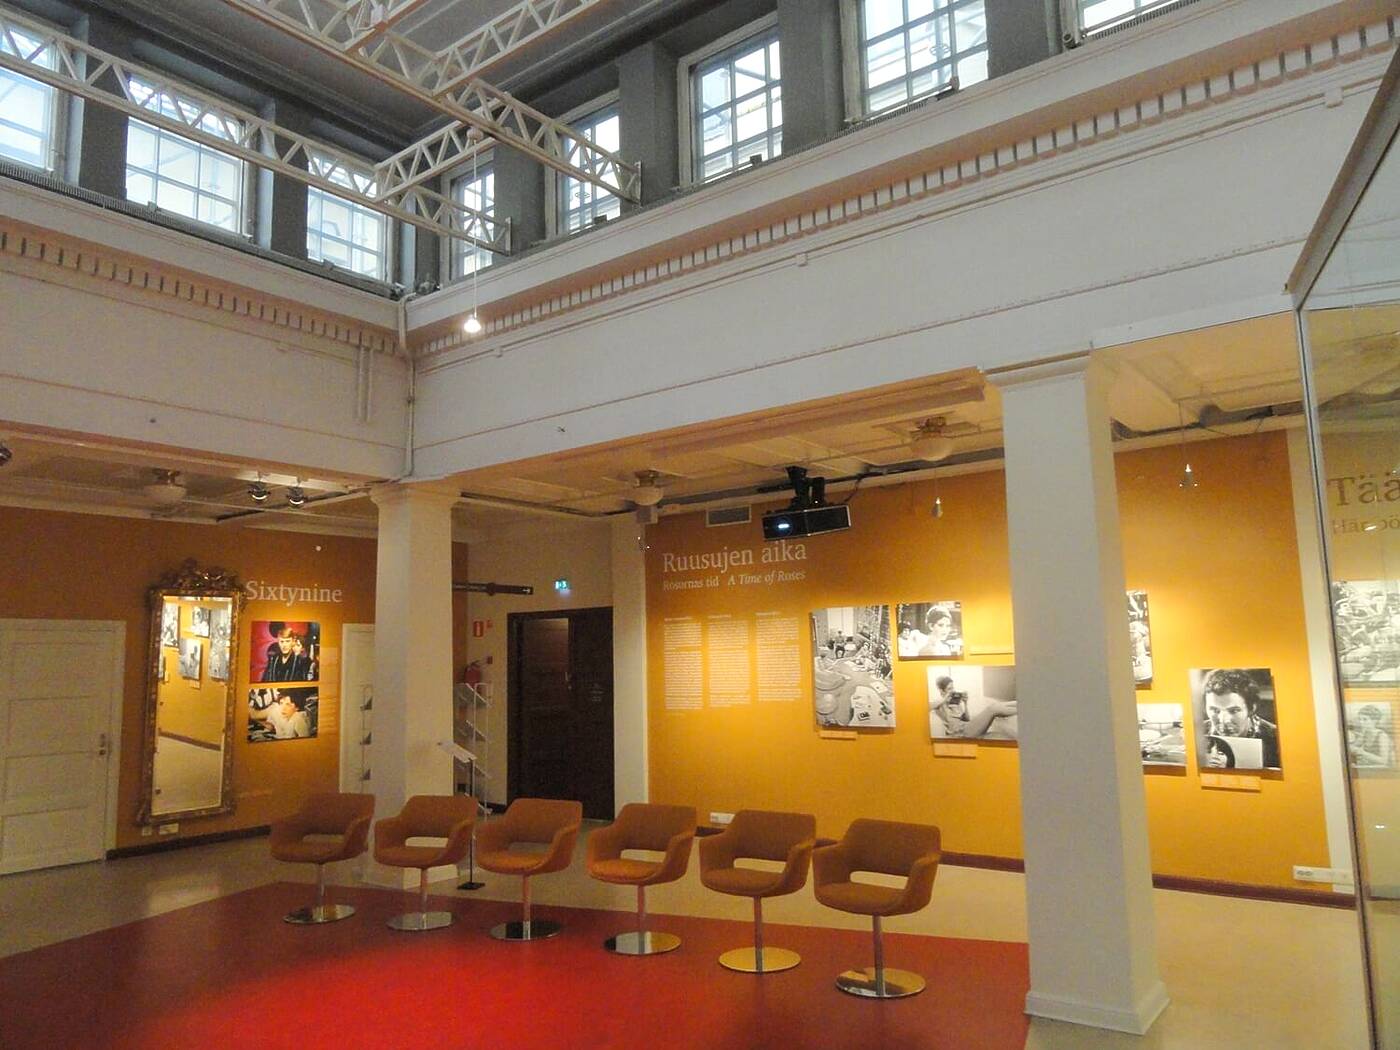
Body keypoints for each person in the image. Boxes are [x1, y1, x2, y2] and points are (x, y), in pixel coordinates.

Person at [1200, 668, 1279, 768]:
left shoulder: (1276, 739)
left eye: (1234, 711)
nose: (1224, 720)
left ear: (1251, 709)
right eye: (1215, 710)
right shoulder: (1196, 734)